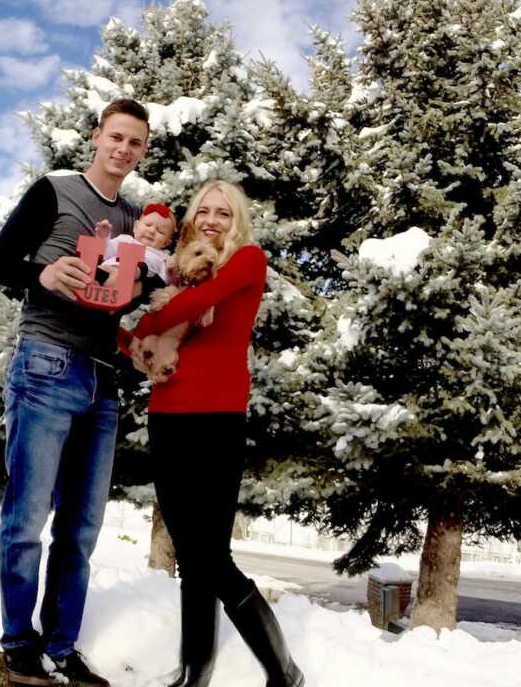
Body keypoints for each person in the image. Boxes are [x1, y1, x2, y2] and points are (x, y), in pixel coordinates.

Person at [0, 98, 156, 687]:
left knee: (81, 529)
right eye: (116, 137)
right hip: (47, 365)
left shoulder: (134, 221)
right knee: (27, 517)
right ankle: (18, 642)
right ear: (97, 136)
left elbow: (124, 296)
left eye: (135, 142)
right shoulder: (54, 191)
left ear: (143, 150)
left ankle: (61, 644)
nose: (123, 149)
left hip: (103, 381)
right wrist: (43, 274)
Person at [126, 180, 305, 687]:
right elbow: (145, 338)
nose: (211, 219)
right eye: (203, 211)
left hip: (218, 418)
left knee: (211, 554)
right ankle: (193, 674)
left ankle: (283, 672)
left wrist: (147, 324)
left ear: (236, 220)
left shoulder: (247, 260)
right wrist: (133, 342)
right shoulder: (176, 265)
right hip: (168, 414)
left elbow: (186, 308)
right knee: (189, 552)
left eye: (222, 213)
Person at [95, 202, 176, 285]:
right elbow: (106, 253)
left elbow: (163, 281)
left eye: (160, 231)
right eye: (148, 225)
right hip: (107, 271)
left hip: (133, 282)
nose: (152, 231)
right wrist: (103, 237)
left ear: (166, 243)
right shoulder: (125, 239)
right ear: (135, 227)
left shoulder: (162, 258)